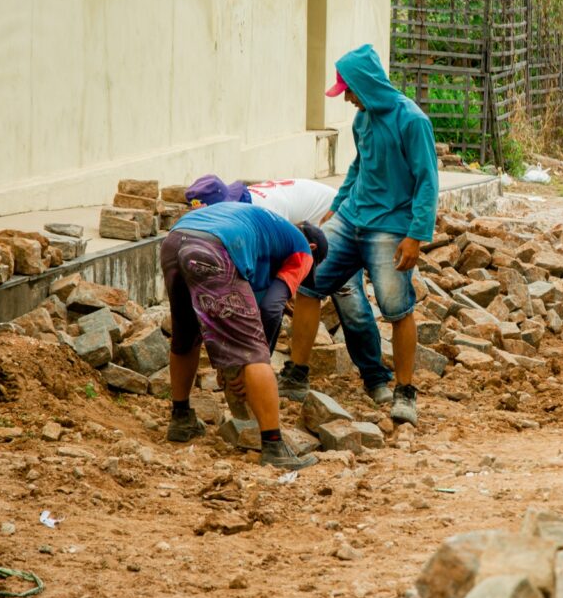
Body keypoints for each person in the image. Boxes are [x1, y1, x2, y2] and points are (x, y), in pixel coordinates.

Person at [280, 44, 439, 427]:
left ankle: (404, 392)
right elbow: (359, 165)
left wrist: (416, 235)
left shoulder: (412, 121)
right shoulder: (362, 121)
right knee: (309, 281)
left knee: (397, 308)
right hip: (351, 219)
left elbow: (427, 182)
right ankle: (297, 375)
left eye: (349, 90)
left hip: (390, 227)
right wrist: (338, 203)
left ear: (364, 85)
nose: (348, 99)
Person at [185, 175, 393, 404]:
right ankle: (297, 374)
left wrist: (252, 362)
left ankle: (375, 378)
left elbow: (268, 302)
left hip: (334, 220)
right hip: (308, 229)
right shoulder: (239, 212)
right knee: (306, 291)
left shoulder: (264, 214)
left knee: (348, 296)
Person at [160, 201, 327, 471]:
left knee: (186, 334)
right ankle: (274, 446)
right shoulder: (302, 250)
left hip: (175, 239)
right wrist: (249, 364)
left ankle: (181, 419)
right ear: (314, 251)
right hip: (215, 247)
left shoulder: (270, 230)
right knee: (253, 350)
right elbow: (272, 309)